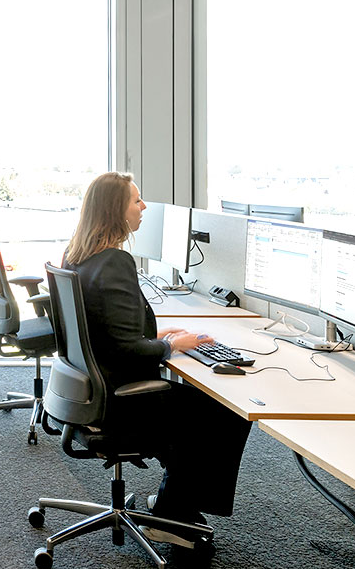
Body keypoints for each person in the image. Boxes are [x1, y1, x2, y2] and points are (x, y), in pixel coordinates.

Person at [62, 171, 252, 537]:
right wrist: (172, 345)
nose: (144, 206)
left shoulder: (78, 256)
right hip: (119, 400)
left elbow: (103, 332)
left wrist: (158, 333)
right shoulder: (115, 261)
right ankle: (175, 513)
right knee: (225, 407)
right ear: (116, 211)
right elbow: (128, 351)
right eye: (136, 200)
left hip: (90, 391)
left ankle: (175, 500)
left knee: (203, 403)